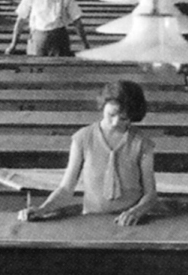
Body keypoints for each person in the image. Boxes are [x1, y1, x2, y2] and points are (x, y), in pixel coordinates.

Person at [20, 80, 159, 227]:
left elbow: (150, 194)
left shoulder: (142, 143)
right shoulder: (83, 138)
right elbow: (66, 189)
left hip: (130, 223)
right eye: (111, 114)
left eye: (124, 118)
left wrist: (135, 212)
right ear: (102, 107)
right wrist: (43, 209)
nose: (115, 122)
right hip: (91, 221)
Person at [6, 0, 90, 56]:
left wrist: (85, 44)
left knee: (60, 67)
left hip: (59, 39)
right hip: (38, 38)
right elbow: (20, 21)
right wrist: (13, 44)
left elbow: (77, 21)